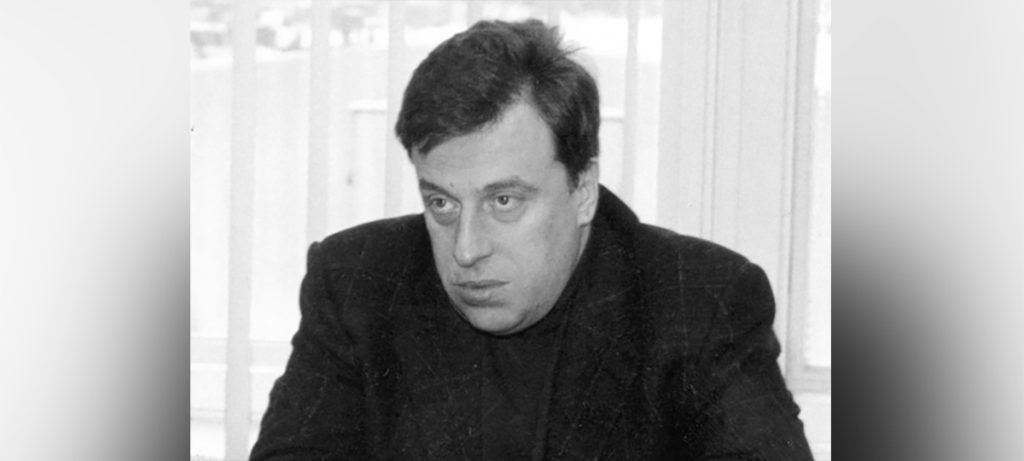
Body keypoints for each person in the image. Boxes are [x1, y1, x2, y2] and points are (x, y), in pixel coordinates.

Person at [251, 19, 813, 460]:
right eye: (442, 203)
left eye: (504, 201)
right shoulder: (358, 283)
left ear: (582, 190)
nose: (466, 249)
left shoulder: (699, 303)